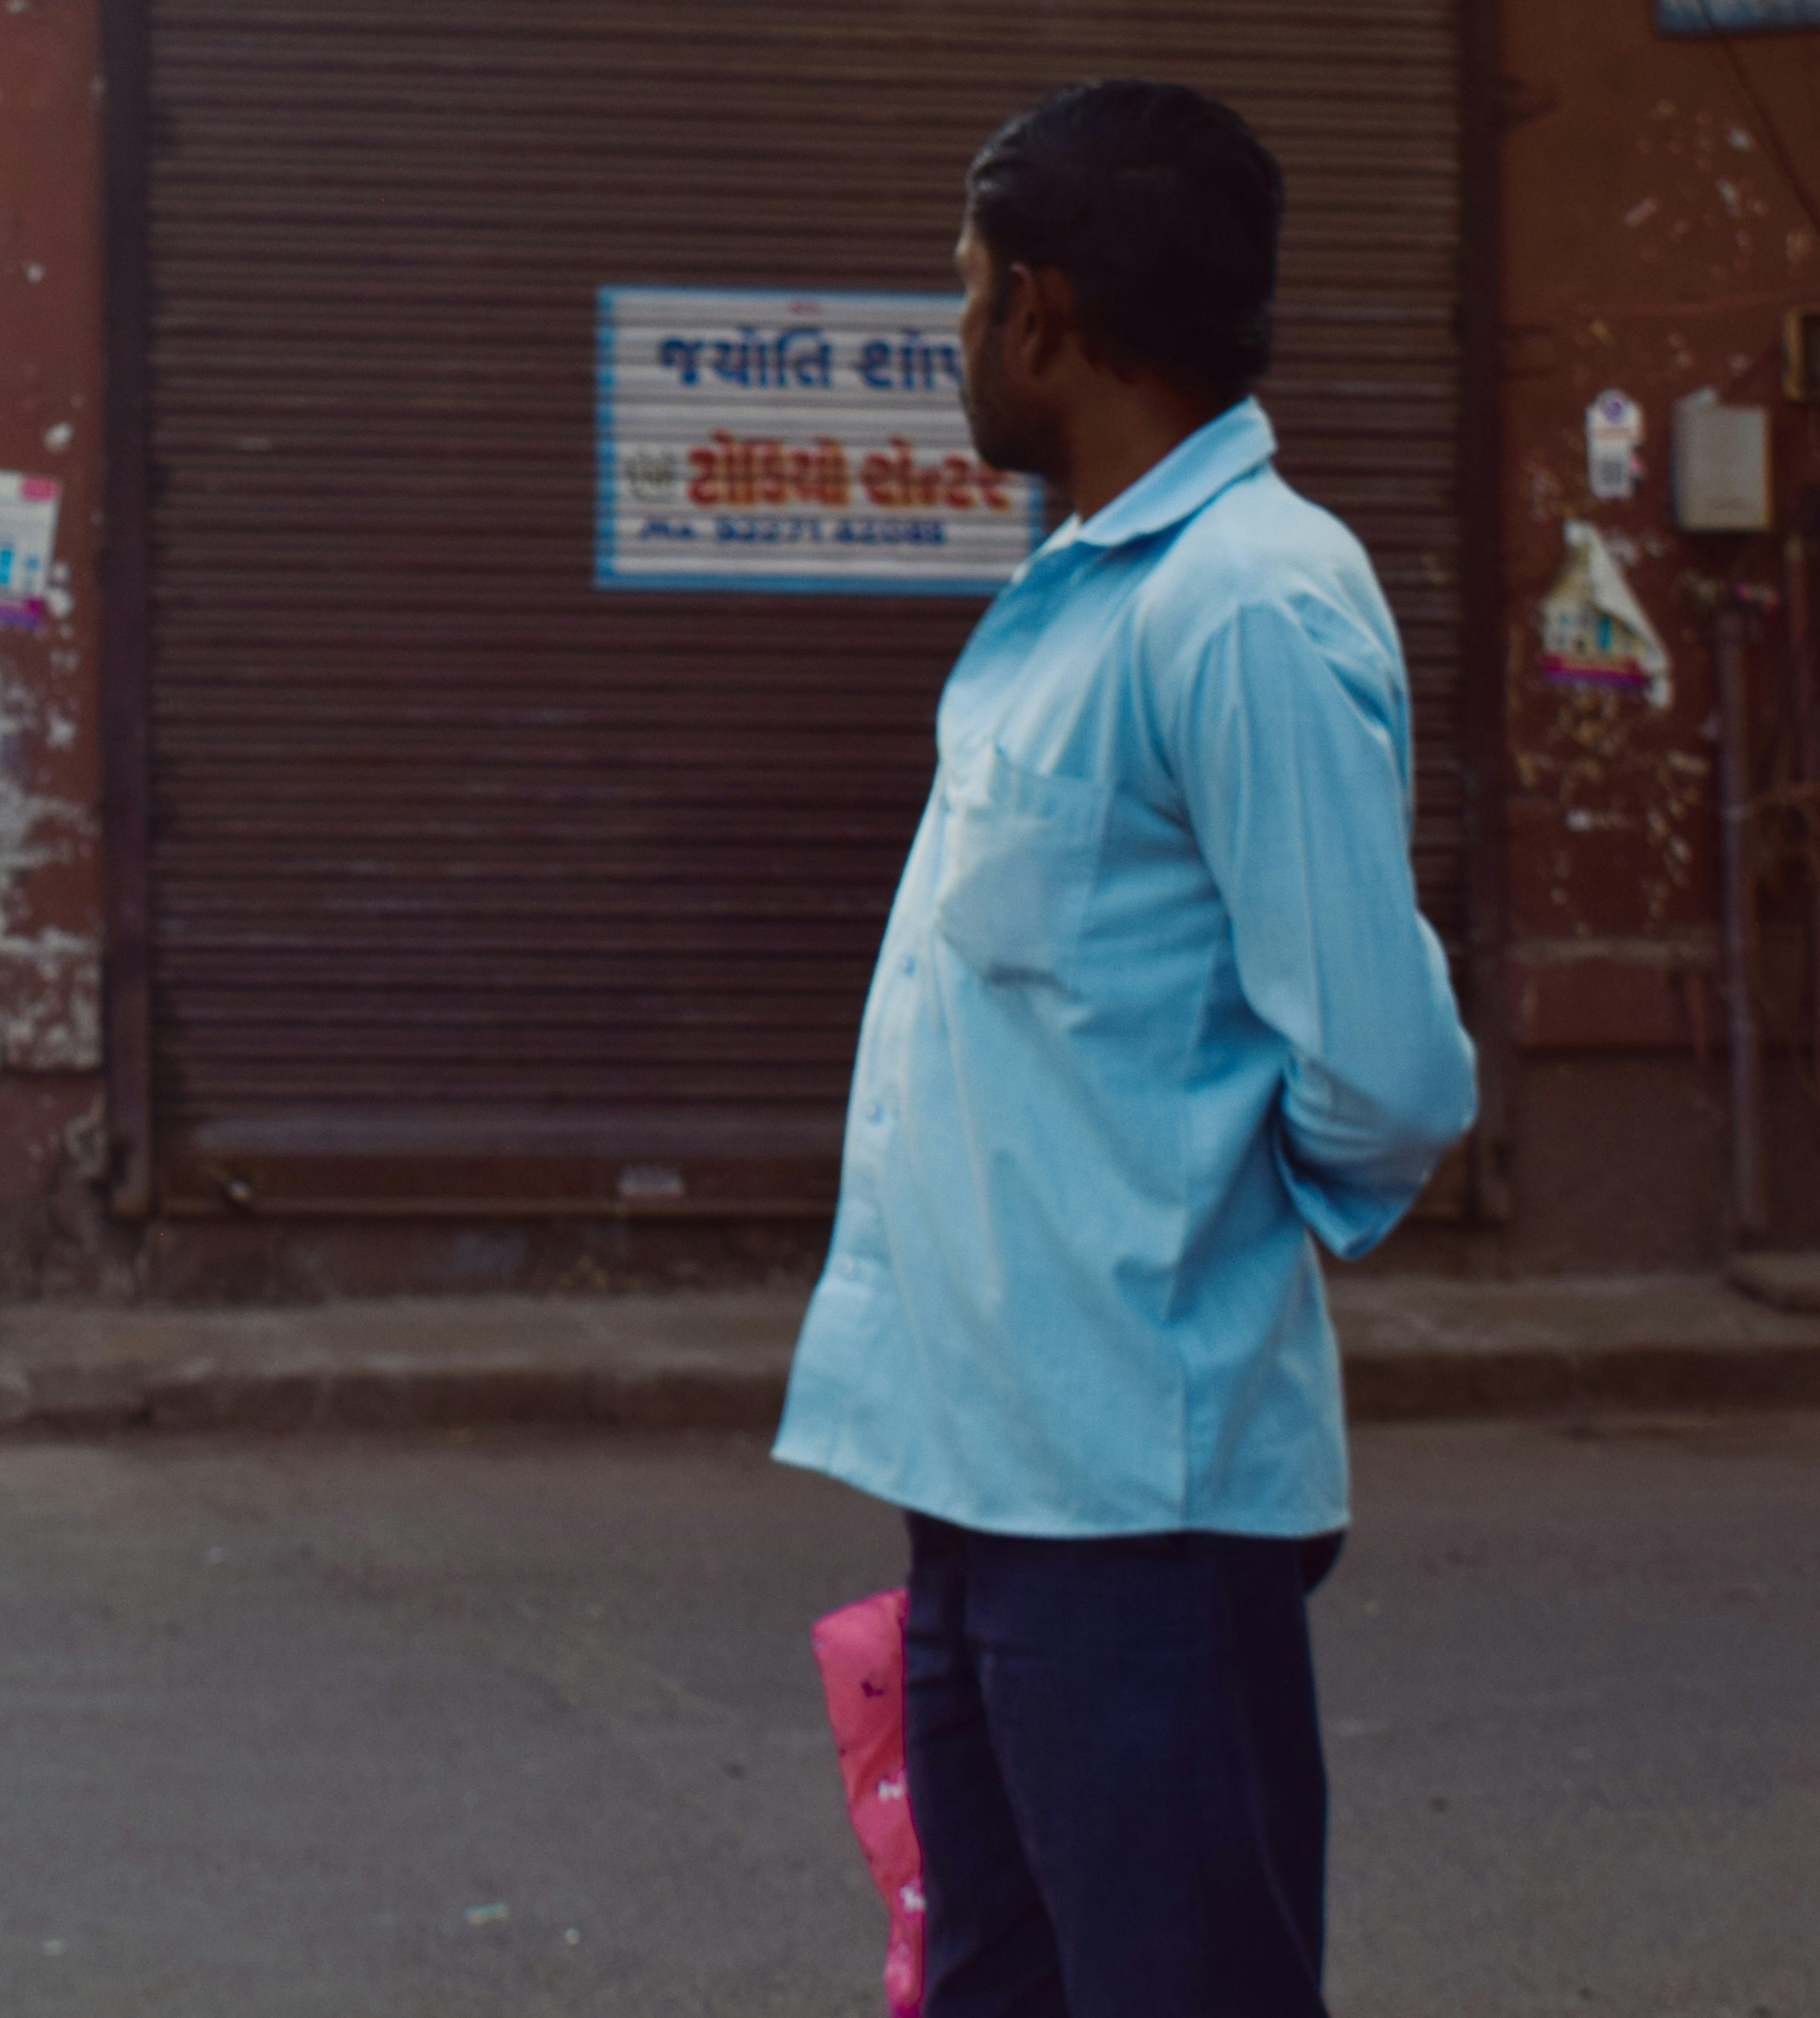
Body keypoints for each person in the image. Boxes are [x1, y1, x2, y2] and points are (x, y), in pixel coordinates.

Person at [771, 81, 1475, 2017]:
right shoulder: (1089, 592)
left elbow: (1390, 1071)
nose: (960, 331)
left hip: (1141, 1517)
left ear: (1048, 314)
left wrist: (1209, 1240)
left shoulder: (1246, 604)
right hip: (993, 1485)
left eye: (969, 285)